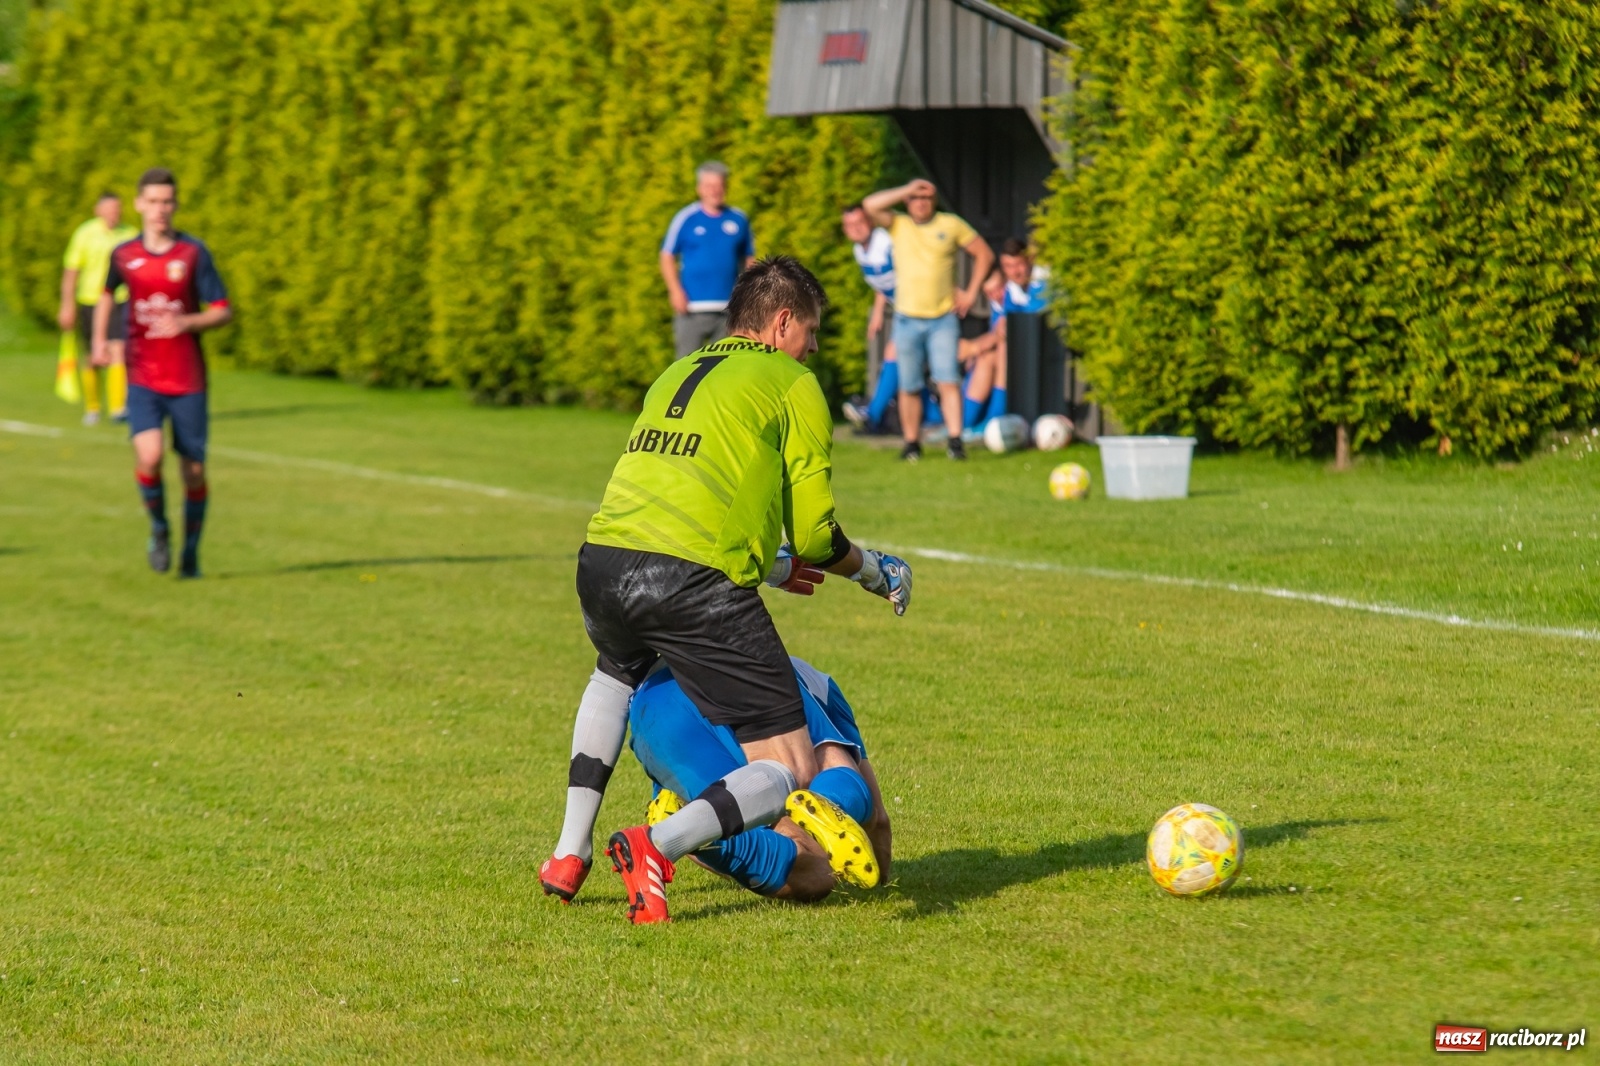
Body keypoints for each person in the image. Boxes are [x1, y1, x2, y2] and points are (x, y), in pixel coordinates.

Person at [538, 256, 912, 925]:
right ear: (782, 321)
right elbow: (819, 533)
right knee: (791, 766)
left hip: (601, 563)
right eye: (813, 333)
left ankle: (569, 851)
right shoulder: (789, 381)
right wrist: (874, 570)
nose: (815, 349)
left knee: (614, 675)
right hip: (691, 584)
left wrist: (767, 564)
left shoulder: (680, 370)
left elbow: (687, 497)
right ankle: (661, 844)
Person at [627, 656, 892, 903]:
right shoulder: (820, 684)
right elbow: (878, 819)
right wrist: (882, 881)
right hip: (752, 678)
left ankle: (683, 825)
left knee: (757, 813)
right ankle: (830, 799)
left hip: (651, 707)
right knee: (817, 869)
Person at [93, 168, 233, 579]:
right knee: (150, 456)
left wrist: (188, 323)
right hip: (142, 375)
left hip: (187, 377)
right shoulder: (123, 254)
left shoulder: (193, 253)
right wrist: (101, 340)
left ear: (175, 205)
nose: (160, 210)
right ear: (138, 204)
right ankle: (158, 528)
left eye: (167, 202)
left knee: (193, 471)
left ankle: (190, 554)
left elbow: (222, 309)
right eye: (152, 202)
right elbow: (106, 293)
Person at [861, 178, 993, 462]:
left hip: (942, 318)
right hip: (907, 317)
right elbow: (870, 206)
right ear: (908, 202)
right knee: (909, 385)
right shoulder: (899, 224)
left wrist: (970, 293)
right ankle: (911, 443)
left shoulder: (950, 224)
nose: (920, 203)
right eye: (915, 198)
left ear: (934, 201)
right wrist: (907, 188)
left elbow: (984, 254)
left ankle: (955, 441)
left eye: (926, 198)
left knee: (948, 379)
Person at [660, 161, 756, 358]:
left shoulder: (738, 219)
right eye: (709, 186)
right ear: (699, 188)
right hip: (692, 307)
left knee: (723, 365)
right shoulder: (686, 218)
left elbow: (749, 259)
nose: (715, 191)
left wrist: (748, 295)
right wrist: (675, 291)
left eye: (719, 185)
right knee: (686, 366)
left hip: (728, 308)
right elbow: (667, 255)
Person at [59, 192, 136, 425]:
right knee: (93, 357)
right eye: (110, 209)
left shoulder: (130, 234)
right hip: (90, 300)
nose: (115, 213)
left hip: (119, 300)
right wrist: (67, 305)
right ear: (98, 210)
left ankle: (117, 408)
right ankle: (92, 407)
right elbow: (72, 272)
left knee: (118, 351)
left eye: (118, 208)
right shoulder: (85, 234)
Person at [838, 203, 898, 434]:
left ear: (870, 222)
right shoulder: (859, 250)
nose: (856, 229)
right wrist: (877, 312)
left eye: (860, 222)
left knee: (894, 353)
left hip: (915, 305)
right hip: (901, 307)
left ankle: (872, 416)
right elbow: (882, 284)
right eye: (849, 225)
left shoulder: (886, 243)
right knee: (908, 370)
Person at [958, 269, 1009, 439]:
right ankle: (965, 423)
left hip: (1020, 362)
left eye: (998, 289)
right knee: (985, 357)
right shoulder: (996, 305)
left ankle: (993, 420)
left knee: (997, 352)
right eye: (989, 292)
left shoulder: (1011, 300)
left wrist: (973, 347)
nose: (995, 295)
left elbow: (1001, 332)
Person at [999, 237, 1050, 314]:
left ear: (1029, 260)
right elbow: (1007, 319)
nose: (1014, 272)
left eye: (1019, 264)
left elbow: (1034, 318)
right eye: (1008, 266)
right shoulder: (1010, 290)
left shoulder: (1046, 280)